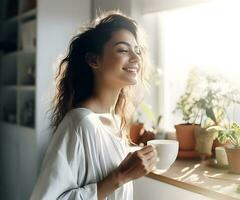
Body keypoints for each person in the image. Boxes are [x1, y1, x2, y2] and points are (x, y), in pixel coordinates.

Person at [31, 11, 157, 200]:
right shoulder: (80, 123)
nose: (136, 58)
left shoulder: (116, 120)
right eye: (123, 50)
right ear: (94, 60)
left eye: (137, 50)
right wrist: (121, 176)